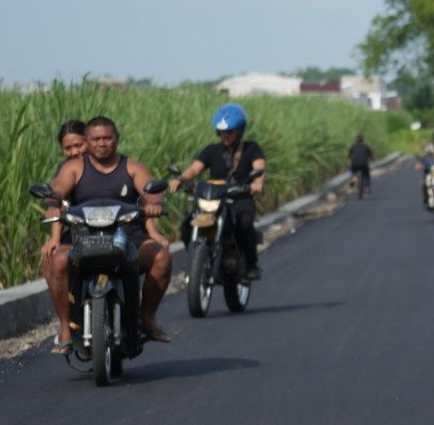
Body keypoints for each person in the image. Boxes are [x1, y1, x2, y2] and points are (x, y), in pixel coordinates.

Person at [44, 116, 173, 351]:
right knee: (59, 259)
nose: (102, 143)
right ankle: (65, 327)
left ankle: (147, 318)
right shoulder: (75, 167)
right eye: (96, 139)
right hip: (82, 235)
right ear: (87, 141)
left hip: (127, 235)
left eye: (107, 138)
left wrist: (154, 204)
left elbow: (151, 190)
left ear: (116, 139)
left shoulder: (132, 166)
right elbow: (58, 188)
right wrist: (53, 203)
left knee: (161, 257)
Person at [171, 103, 267, 281]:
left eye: (229, 132)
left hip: (239, 197)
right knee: (186, 226)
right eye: (222, 132)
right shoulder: (212, 150)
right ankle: (195, 259)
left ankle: (251, 264)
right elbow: (195, 168)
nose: (225, 135)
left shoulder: (251, 148)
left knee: (244, 224)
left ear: (239, 130)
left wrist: (257, 183)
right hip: (215, 198)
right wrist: (181, 179)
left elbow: (259, 167)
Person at [41, 120, 90, 266]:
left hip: (114, 228)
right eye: (68, 148)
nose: (74, 152)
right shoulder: (65, 168)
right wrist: (55, 239)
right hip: (81, 231)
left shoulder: (106, 163)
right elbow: (61, 202)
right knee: (54, 259)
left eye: (79, 145)